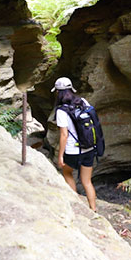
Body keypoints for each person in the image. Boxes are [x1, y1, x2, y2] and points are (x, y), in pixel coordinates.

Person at [52, 77, 97, 211]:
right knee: (87, 181)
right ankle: (93, 209)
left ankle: (77, 204)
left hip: (72, 151)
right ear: (71, 89)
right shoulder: (83, 101)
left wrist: (60, 156)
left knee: (67, 173)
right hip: (89, 147)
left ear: (57, 93)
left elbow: (64, 135)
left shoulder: (61, 111)